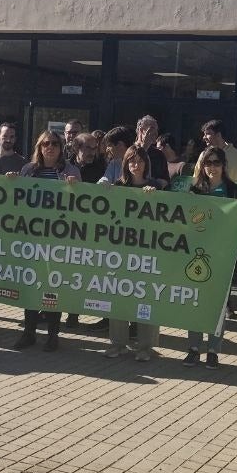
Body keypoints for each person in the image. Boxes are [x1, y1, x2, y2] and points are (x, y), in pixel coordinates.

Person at [10, 133, 80, 351]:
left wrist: (75, 188)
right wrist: (11, 183)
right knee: (30, 284)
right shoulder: (28, 171)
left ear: (61, 148)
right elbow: (17, 201)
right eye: (46, 144)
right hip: (32, 237)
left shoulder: (70, 171)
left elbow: (82, 205)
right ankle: (29, 332)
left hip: (58, 239)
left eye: (55, 144)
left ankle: (52, 335)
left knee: (53, 286)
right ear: (39, 147)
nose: (50, 147)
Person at [183, 146, 237, 369]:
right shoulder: (195, 190)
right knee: (195, 303)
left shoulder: (233, 191)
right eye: (208, 163)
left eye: (216, 163)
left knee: (218, 306)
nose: (212, 167)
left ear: (224, 165)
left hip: (223, 255)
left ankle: (213, 350)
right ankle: (193, 348)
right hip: (197, 254)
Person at [106, 146, 162, 361]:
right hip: (122, 252)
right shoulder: (119, 186)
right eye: (131, 161)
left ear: (146, 164)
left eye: (139, 161)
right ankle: (117, 344)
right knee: (118, 296)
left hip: (148, 252)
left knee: (146, 298)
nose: (135, 165)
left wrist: (155, 196)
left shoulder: (155, 186)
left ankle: (145, 347)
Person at [65, 132, 107, 328]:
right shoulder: (64, 166)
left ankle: (74, 313)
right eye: (88, 148)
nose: (93, 152)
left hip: (89, 230)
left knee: (81, 274)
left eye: (95, 148)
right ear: (76, 149)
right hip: (65, 228)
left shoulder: (101, 168)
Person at [196, 119, 237, 184]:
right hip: (206, 193)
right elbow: (196, 179)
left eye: (208, 133)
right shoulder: (203, 154)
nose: (204, 137)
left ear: (218, 135)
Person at [134, 115, 170, 184]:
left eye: (157, 130)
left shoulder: (159, 155)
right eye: (152, 129)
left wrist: (157, 184)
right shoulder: (128, 149)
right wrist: (144, 147)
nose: (156, 133)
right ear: (141, 130)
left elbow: (166, 180)